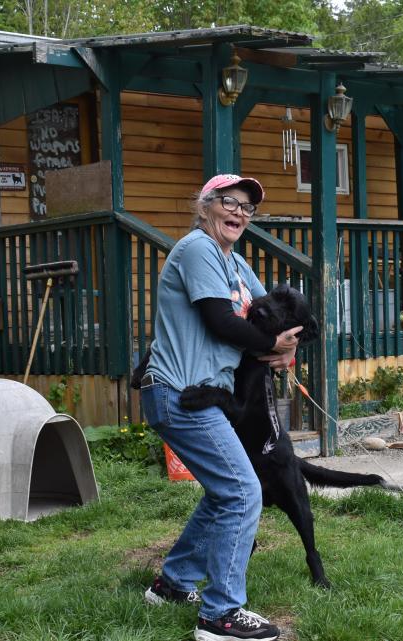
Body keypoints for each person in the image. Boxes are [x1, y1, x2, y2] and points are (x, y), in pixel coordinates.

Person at [139, 174, 301, 641]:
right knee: (243, 492)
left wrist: (286, 346)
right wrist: (272, 342)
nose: (239, 213)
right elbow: (222, 321)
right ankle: (220, 615)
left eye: (247, 208)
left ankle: (173, 585)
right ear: (206, 205)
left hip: (200, 395)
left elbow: (269, 311)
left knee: (223, 492)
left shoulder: (233, 261)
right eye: (230, 202)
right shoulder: (197, 249)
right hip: (179, 392)